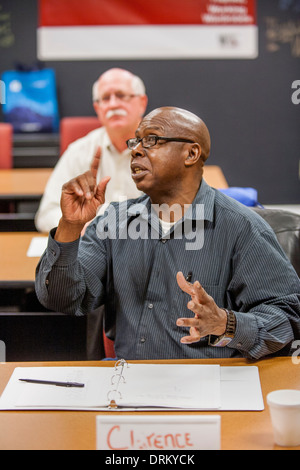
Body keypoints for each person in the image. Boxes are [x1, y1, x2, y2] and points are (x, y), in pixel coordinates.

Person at [35, 106, 300, 360]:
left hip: (210, 385)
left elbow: (287, 317)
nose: (135, 151)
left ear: (191, 154)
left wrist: (226, 324)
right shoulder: (114, 222)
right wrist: (70, 226)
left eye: (151, 140)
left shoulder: (242, 228)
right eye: (135, 142)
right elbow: (62, 299)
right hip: (130, 381)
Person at [35, 68, 148, 233]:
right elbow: (46, 215)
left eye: (122, 95)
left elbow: (180, 213)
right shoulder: (79, 151)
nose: (113, 104)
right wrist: (77, 224)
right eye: (105, 98)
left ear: (142, 103)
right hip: (91, 248)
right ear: (97, 108)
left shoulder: (164, 151)